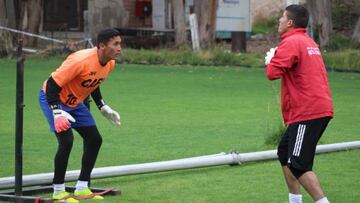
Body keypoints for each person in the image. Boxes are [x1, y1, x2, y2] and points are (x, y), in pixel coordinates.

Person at [39, 28, 122, 202]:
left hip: (75, 102)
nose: (119, 48)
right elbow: (53, 85)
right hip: (53, 98)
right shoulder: (80, 60)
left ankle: (82, 188)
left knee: (94, 140)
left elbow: (92, 82)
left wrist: (102, 106)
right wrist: (57, 113)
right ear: (101, 46)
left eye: (120, 43)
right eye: (115, 44)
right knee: (66, 141)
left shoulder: (110, 63)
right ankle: (58, 191)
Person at [265, 5, 334, 203]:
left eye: (282, 18)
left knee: (297, 164)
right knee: (284, 151)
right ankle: (295, 201)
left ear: (290, 23)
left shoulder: (292, 42)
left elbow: (272, 74)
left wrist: (272, 59)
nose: (279, 21)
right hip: (317, 107)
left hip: (308, 112)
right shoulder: (307, 41)